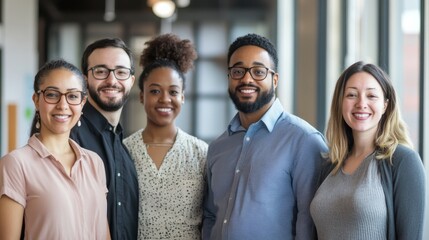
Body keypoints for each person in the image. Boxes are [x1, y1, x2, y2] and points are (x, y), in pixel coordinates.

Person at [202, 33, 328, 239]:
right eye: (238, 71)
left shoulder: (305, 141)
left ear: (274, 79)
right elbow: (210, 215)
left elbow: (310, 221)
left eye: (259, 71)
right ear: (229, 77)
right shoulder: (217, 147)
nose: (247, 79)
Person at [310, 61, 426, 239]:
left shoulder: (403, 162)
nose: (361, 103)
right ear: (340, 103)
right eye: (351, 95)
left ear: (385, 106)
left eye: (371, 96)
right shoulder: (328, 165)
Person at [0, 59, 109, 239]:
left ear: (82, 103)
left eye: (73, 96)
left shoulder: (94, 162)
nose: (63, 105)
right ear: (36, 100)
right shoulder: (15, 164)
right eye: (52, 95)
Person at [123, 33, 208, 240]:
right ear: (142, 95)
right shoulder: (124, 151)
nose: (164, 99)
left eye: (173, 92)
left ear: (182, 97)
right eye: (154, 91)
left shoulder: (201, 153)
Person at [70, 38, 138, 240]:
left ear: (131, 81)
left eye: (121, 72)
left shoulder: (124, 148)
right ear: (84, 79)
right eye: (100, 71)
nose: (111, 80)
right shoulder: (69, 137)